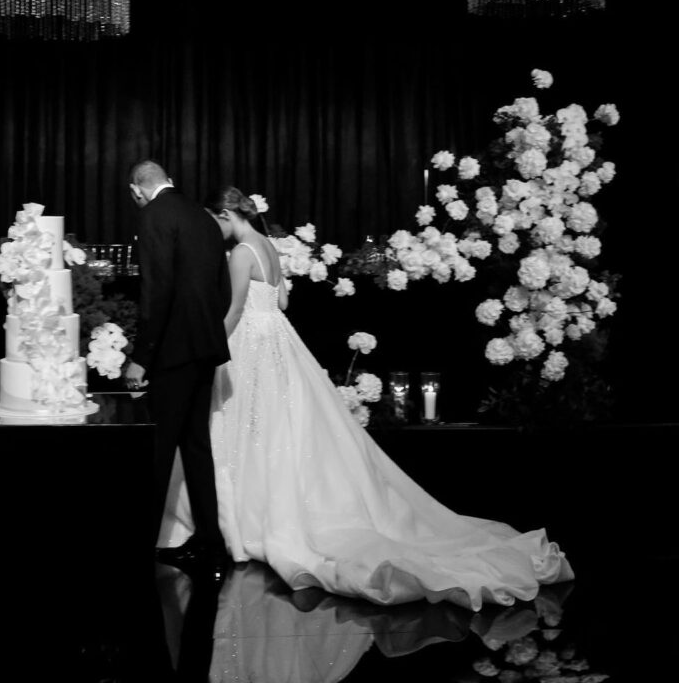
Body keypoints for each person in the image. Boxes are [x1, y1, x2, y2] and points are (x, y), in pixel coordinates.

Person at [159, 186, 575, 609]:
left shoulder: (241, 253)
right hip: (279, 340)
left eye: (215, 223)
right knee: (278, 424)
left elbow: (232, 311)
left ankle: (238, 520)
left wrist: (210, 349)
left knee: (246, 425)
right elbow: (281, 300)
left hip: (249, 341)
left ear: (226, 215)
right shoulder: (268, 246)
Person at [126, 161, 231, 581]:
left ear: (138, 190)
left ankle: (139, 547)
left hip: (172, 352)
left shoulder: (154, 215)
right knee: (196, 446)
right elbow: (221, 288)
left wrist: (142, 355)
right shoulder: (202, 217)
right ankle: (211, 542)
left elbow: (157, 290)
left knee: (158, 450)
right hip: (204, 347)